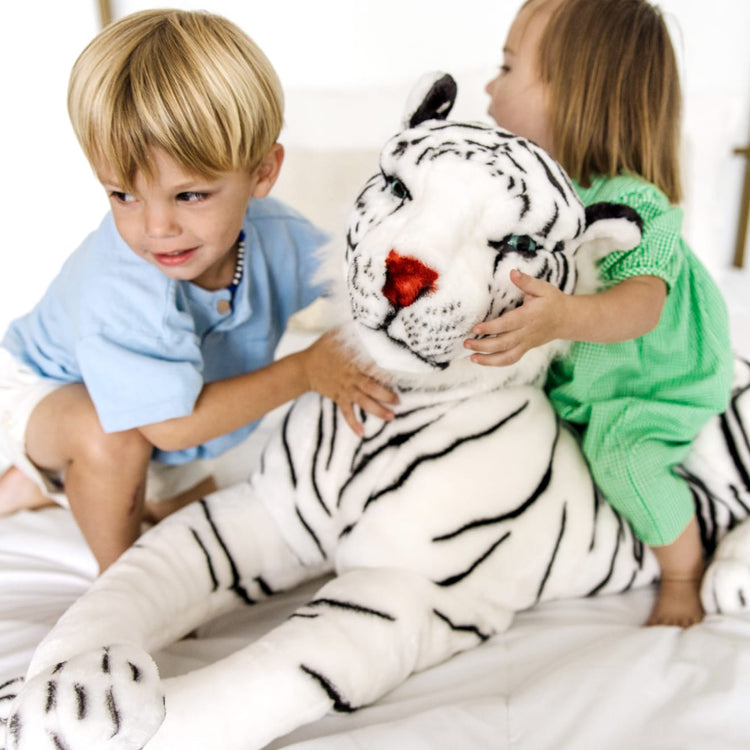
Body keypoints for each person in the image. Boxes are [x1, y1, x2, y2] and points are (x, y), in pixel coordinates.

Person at [0, 9, 397, 573]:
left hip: (170, 404)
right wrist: (306, 370)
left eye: (189, 196)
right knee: (111, 445)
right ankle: (121, 588)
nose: (156, 228)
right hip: (53, 387)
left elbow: (354, 285)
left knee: (213, 540)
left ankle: (37, 486)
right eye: (123, 195)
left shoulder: (280, 237)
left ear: (262, 173)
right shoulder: (122, 289)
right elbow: (166, 425)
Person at [466, 0, 734, 626]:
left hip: (651, 383)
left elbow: (640, 306)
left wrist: (561, 315)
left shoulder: (629, 202)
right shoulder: (534, 199)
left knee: (622, 460)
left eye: (506, 67)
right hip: (587, 378)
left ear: (573, 93)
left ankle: (683, 571)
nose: (487, 85)